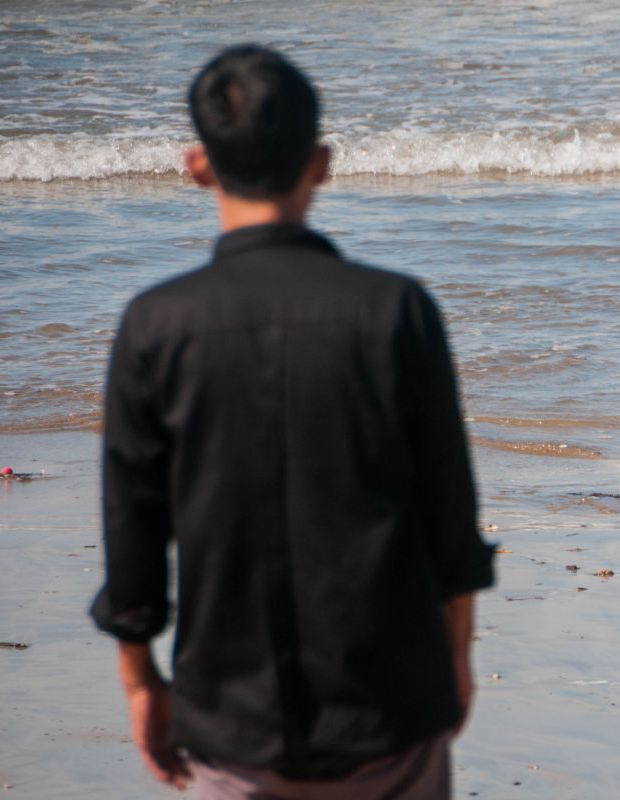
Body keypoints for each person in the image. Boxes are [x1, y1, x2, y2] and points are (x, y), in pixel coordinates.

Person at [90, 44, 495, 798]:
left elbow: (132, 528)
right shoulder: (395, 311)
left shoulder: (155, 325)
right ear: (322, 162)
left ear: (197, 164)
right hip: (390, 709)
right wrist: (457, 655)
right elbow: (449, 513)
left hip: (230, 719)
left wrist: (141, 681)